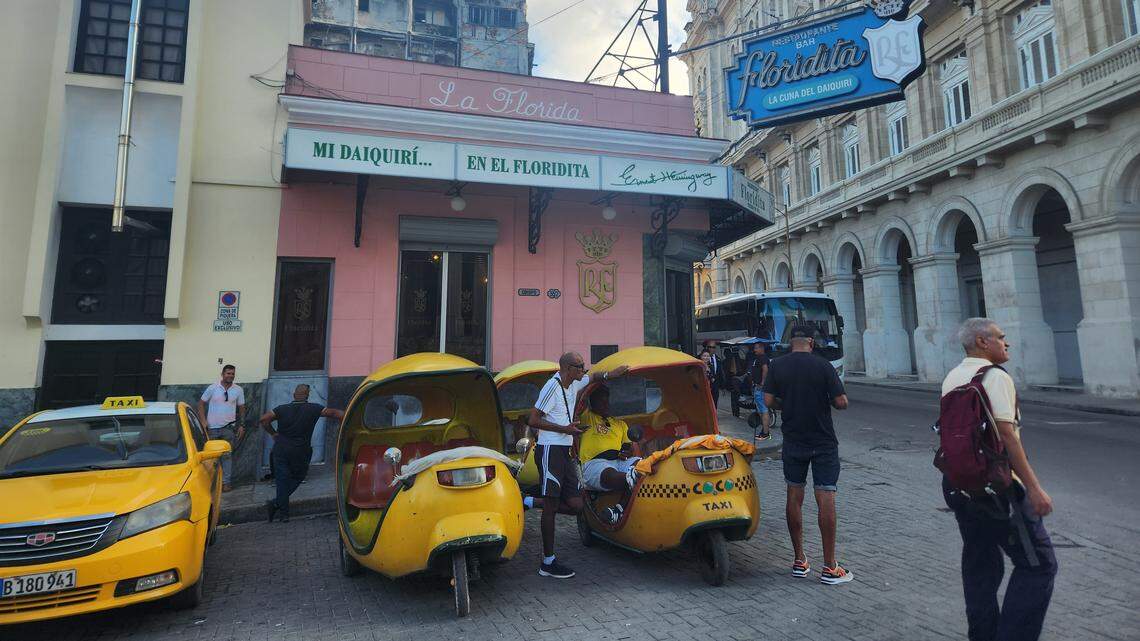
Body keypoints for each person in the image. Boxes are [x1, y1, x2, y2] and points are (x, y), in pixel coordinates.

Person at [941, 318, 1056, 641]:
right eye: (1001, 337)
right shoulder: (994, 377)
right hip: (999, 489)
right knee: (1039, 565)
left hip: (962, 485)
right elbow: (1007, 435)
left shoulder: (953, 376)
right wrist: (1033, 489)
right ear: (982, 341)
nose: (1007, 343)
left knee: (980, 565)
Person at [763, 325, 851, 585]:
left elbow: (768, 401)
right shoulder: (823, 366)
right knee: (825, 495)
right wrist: (827, 401)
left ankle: (800, 561)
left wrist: (786, 403)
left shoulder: (777, 366)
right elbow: (842, 402)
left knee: (794, 495)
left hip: (794, 441)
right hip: (822, 441)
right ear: (811, 343)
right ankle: (830, 567)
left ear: (792, 343)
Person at [528, 352, 628, 579]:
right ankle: (548, 562)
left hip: (564, 451)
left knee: (576, 504)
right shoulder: (551, 388)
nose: (583, 369)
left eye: (583, 365)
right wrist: (565, 430)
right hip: (550, 450)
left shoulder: (573, 382)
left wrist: (611, 374)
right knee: (552, 506)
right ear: (566, 368)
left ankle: (532, 501)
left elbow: (593, 377)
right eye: (579, 366)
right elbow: (533, 420)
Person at [258, 384, 344, 523]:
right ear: (308, 395)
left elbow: (263, 419)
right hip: (301, 450)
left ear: (294, 395)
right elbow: (334, 413)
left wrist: (273, 434)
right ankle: (276, 504)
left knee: (281, 480)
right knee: (298, 477)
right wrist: (349, 415)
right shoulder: (314, 408)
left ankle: (283, 513)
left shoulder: (282, 409)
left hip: (281, 448)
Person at [578, 385, 644, 524]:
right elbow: (578, 399)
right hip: (594, 463)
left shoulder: (620, 424)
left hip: (618, 461)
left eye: (606, 400)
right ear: (592, 402)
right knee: (611, 472)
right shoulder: (586, 417)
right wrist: (595, 380)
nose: (605, 403)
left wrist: (626, 452)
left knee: (641, 464)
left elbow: (629, 448)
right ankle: (631, 477)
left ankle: (618, 509)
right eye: (600, 400)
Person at [198, 364, 245, 492]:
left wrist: (242, 425)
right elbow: (201, 404)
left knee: (227, 456)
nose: (230, 376)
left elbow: (242, 408)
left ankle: (226, 483)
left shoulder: (238, 390)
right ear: (222, 374)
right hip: (212, 428)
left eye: (232, 374)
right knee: (211, 457)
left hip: (229, 428)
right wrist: (203, 421)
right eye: (228, 373)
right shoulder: (213, 388)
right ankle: (210, 483)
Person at [750, 341, 772, 441]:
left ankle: (765, 433)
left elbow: (765, 369)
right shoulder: (758, 358)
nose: (754, 350)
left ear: (761, 348)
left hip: (761, 388)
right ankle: (764, 430)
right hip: (757, 386)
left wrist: (762, 383)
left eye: (756, 348)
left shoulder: (763, 358)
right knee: (761, 410)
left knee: (764, 411)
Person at [701, 339, 725, 409]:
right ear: (706, 347)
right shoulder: (699, 360)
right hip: (703, 387)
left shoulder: (718, 360)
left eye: (713, 347)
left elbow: (720, 373)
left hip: (715, 387)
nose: (711, 349)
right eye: (709, 347)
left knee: (714, 405)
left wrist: (722, 386)